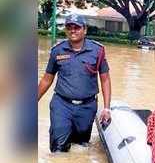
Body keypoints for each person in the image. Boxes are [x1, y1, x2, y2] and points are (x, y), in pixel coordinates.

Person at [38, 14, 111, 152]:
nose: (73, 31)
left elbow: (105, 79)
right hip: (61, 105)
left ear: (85, 30)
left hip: (87, 107)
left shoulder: (98, 51)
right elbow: (47, 79)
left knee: (80, 146)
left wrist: (106, 108)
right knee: (58, 148)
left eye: (77, 27)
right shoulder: (57, 51)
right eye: (69, 27)